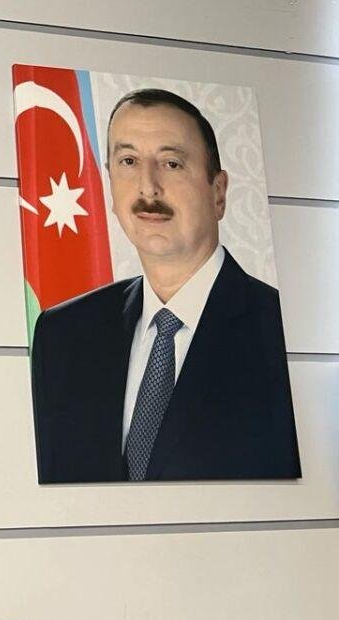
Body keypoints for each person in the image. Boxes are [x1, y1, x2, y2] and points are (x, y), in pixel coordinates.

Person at [30, 89, 300, 483]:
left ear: (219, 192)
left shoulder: (284, 328)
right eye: (128, 162)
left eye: (171, 164)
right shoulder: (62, 334)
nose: (148, 188)